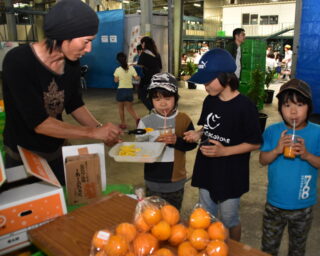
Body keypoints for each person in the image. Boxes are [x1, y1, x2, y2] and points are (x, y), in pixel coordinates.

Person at [2, 0, 122, 185]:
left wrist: (101, 130)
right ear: (65, 35)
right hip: (23, 156)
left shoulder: (71, 64)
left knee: (65, 202)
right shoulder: (18, 62)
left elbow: (74, 103)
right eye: (86, 41)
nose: (89, 49)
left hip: (57, 149)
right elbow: (39, 123)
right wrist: (92, 133)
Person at [183, 48, 262, 241]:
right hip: (207, 167)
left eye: (209, 80)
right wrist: (198, 133)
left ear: (226, 78)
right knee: (206, 216)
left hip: (231, 173)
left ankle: (233, 250)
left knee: (229, 218)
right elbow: (208, 128)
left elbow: (255, 143)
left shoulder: (245, 107)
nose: (205, 85)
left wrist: (225, 151)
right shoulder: (210, 101)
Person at [259, 79, 320, 256]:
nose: (293, 111)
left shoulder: (317, 133)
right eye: (287, 105)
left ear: (309, 107)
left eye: (300, 105)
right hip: (275, 204)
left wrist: (307, 155)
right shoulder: (272, 131)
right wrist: (277, 149)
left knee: (297, 250)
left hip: (303, 205)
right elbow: (263, 160)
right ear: (280, 108)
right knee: (269, 249)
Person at [136, 72, 197, 209]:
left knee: (173, 216)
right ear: (151, 100)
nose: (163, 103)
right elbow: (138, 148)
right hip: (152, 178)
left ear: (175, 97)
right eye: (157, 99)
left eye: (168, 98)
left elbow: (192, 144)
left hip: (175, 180)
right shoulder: (146, 122)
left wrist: (177, 141)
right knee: (153, 217)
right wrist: (153, 144)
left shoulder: (184, 119)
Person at [114, 52, 140, 129]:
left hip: (121, 91)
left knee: (121, 109)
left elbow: (115, 80)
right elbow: (136, 78)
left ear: (118, 61)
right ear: (126, 59)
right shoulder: (131, 68)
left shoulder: (117, 70)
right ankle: (137, 119)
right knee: (130, 108)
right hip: (129, 91)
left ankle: (123, 124)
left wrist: (119, 77)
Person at [137, 36, 162, 110]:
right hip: (157, 79)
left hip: (146, 79)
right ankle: (155, 110)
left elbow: (140, 66)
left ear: (144, 43)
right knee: (153, 96)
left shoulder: (143, 54)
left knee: (142, 95)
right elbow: (160, 67)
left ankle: (154, 110)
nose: (141, 45)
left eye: (141, 43)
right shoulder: (157, 54)